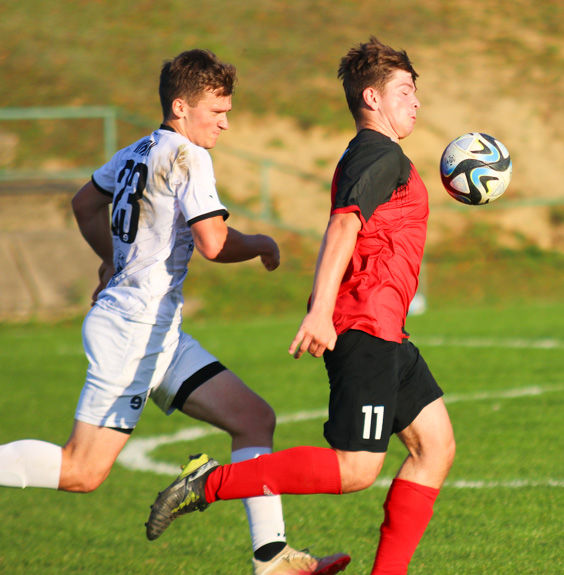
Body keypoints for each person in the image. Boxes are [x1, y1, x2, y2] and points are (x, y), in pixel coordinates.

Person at [0, 49, 349, 575]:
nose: (225, 123)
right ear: (182, 107)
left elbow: (83, 204)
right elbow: (212, 241)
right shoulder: (188, 155)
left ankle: (273, 559)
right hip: (134, 332)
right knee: (82, 471)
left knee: (254, 418)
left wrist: (111, 263)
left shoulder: (139, 149)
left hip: (157, 331)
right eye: (217, 112)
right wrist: (258, 242)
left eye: (228, 111)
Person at [145, 37, 457, 575]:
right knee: (357, 469)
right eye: (405, 90)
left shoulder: (373, 153)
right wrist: (321, 311)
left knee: (436, 447)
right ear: (372, 97)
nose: (416, 102)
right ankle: (209, 483)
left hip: (386, 328)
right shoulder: (381, 153)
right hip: (364, 325)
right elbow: (343, 224)